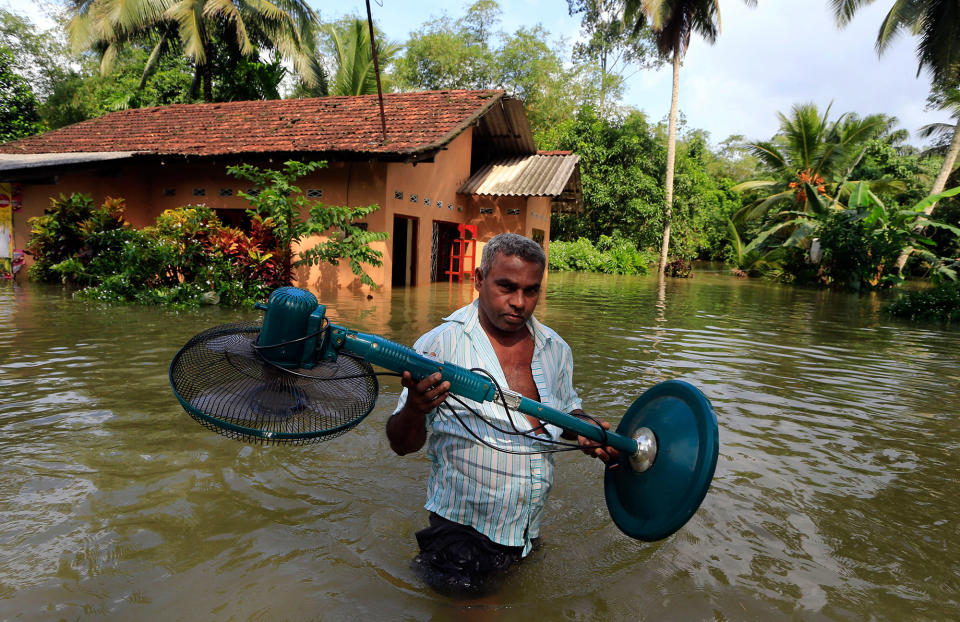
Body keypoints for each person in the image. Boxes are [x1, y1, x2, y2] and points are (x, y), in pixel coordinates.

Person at [386, 232, 618, 597]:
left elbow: (565, 410)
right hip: (459, 534)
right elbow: (401, 445)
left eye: (531, 290)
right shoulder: (440, 345)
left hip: (525, 532)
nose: (519, 302)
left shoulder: (555, 348)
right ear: (478, 279)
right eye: (506, 287)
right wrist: (415, 408)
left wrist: (584, 426)